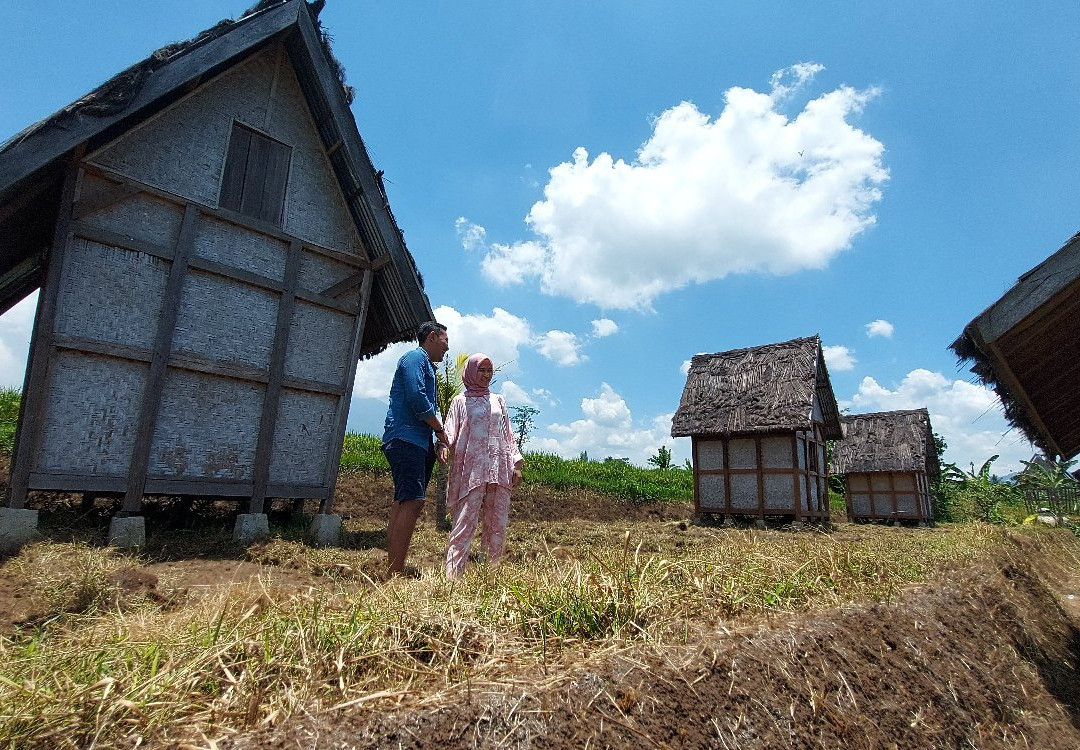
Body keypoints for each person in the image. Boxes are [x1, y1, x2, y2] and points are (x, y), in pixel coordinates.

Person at [439, 353, 523, 579]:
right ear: (471, 372)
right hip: (472, 470)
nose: (486, 375)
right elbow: (450, 430)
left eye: (489, 371)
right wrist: (444, 445)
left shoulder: (499, 401)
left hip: (499, 467)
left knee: (496, 525)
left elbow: (508, 434)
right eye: (481, 370)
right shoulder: (460, 401)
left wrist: (516, 462)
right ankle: (453, 579)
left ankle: (490, 578)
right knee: (464, 523)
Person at [382, 321, 449, 576]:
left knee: (404, 502)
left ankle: (392, 568)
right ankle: (394, 574)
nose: (447, 348)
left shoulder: (427, 367)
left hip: (418, 442)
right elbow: (417, 398)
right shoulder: (414, 359)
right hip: (406, 438)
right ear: (432, 337)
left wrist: (437, 438)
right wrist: (440, 429)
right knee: (413, 502)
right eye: (445, 341)